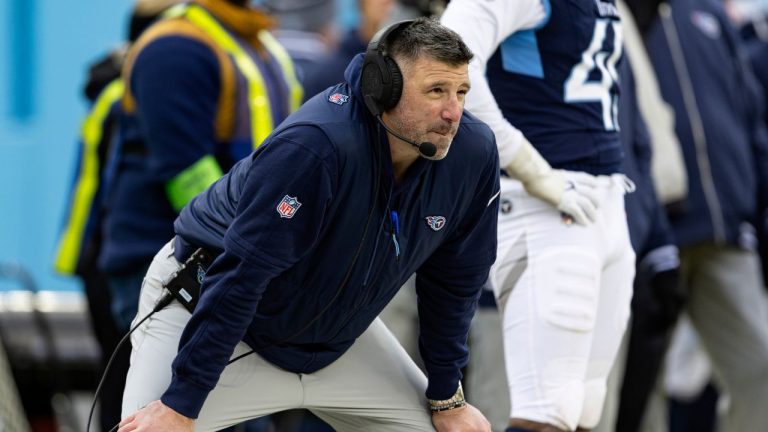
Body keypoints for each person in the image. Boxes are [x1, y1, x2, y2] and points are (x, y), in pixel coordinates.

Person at [117, 18, 498, 432]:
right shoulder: (316, 146)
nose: (452, 112)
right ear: (381, 88)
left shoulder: (473, 153)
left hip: (330, 335)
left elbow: (455, 282)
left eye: (461, 92)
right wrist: (181, 402)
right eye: (435, 91)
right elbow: (241, 277)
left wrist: (447, 397)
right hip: (209, 301)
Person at [442, 1, 636, 431]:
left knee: (587, 409)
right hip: (543, 205)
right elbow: (448, 58)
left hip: (602, 200)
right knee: (548, 412)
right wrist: (527, 164)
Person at [97, 0, 302, 336]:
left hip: (231, 254)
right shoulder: (174, 48)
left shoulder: (256, 40)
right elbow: (188, 176)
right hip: (171, 264)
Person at [633, 0, 768, 429]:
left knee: (760, 368)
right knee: (637, 390)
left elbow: (750, 116)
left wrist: (754, 207)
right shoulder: (614, 13)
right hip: (647, 238)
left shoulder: (708, 13)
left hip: (724, 232)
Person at [52, 1, 180, 429]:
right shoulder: (129, 96)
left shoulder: (115, 91)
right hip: (113, 261)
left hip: (100, 256)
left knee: (120, 385)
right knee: (127, 389)